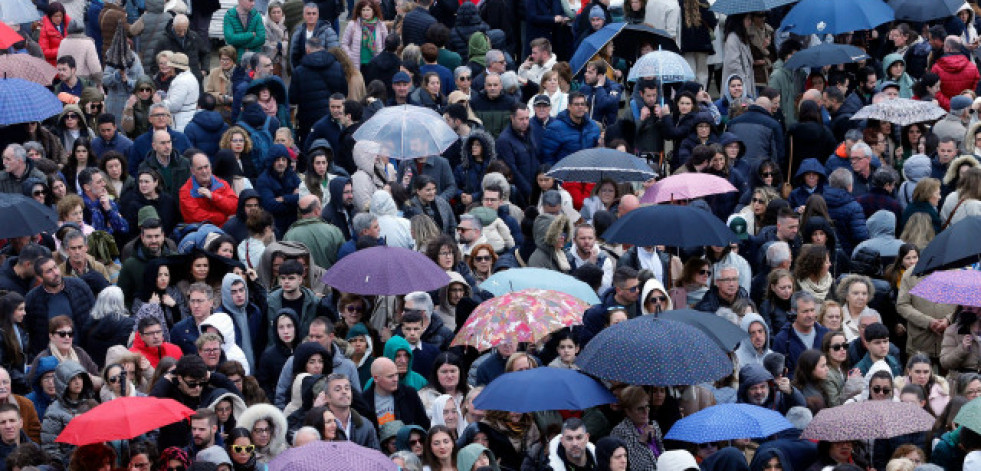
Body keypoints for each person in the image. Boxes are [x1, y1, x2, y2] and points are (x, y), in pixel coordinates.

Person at [771, 291, 829, 377]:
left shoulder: (826, 334)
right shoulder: (782, 340)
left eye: (812, 310)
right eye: (805, 311)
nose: (810, 315)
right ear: (793, 312)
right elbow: (781, 374)